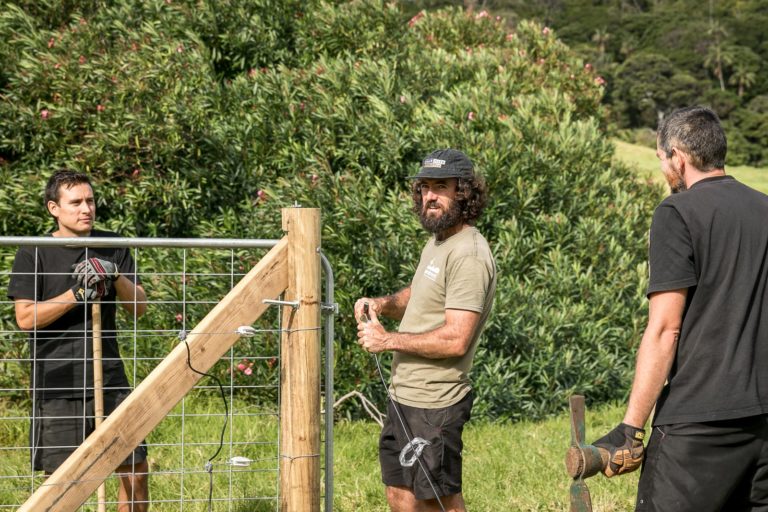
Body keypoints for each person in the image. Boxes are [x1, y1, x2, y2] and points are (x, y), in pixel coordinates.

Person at [593, 106, 768, 511]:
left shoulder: (677, 214)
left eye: (661, 160)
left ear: (678, 157)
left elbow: (664, 329)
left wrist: (630, 429)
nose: (664, 171)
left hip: (700, 421)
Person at [355, 148, 497, 512]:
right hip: (406, 395)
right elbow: (419, 295)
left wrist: (388, 340)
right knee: (400, 493)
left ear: (464, 193)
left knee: (435, 500)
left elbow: (456, 339)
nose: (430, 196)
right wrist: (383, 304)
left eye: (441, 187)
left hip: (435, 404)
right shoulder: (438, 242)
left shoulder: (468, 254)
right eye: (425, 187)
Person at [7, 170, 150, 511]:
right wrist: (78, 294)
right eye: (76, 202)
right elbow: (25, 318)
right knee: (60, 479)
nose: (86, 208)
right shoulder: (34, 253)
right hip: (57, 378)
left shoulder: (112, 245)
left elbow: (139, 307)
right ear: (54, 208)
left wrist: (113, 275)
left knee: (135, 469)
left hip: (109, 374)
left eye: (90, 200)